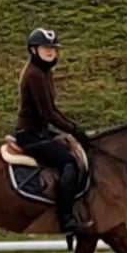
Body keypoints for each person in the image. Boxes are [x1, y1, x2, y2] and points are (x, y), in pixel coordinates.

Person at [14, 27, 92, 235]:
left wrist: (74, 130)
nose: (50, 52)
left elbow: (53, 111)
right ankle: (65, 218)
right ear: (33, 50)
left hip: (40, 131)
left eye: (53, 48)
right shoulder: (35, 75)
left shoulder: (44, 73)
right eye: (45, 48)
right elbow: (48, 113)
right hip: (30, 135)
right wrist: (74, 129)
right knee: (68, 162)